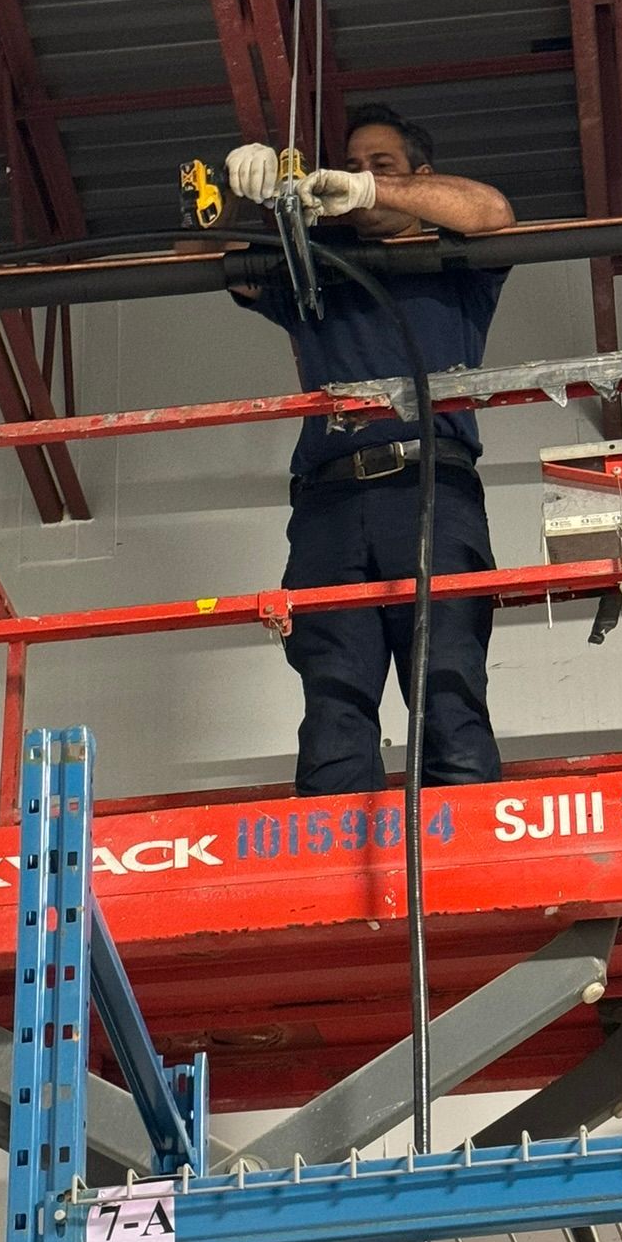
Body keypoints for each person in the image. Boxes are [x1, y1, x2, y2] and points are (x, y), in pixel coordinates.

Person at [225, 104, 515, 798]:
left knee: (445, 680)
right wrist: (247, 194)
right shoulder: (314, 271)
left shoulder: (456, 264)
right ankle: (330, 859)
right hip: (329, 499)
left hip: (432, 491)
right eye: (348, 168)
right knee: (333, 694)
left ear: (420, 176)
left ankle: (466, 852)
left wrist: (370, 191)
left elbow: (492, 212)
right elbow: (205, 263)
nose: (354, 178)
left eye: (379, 164)